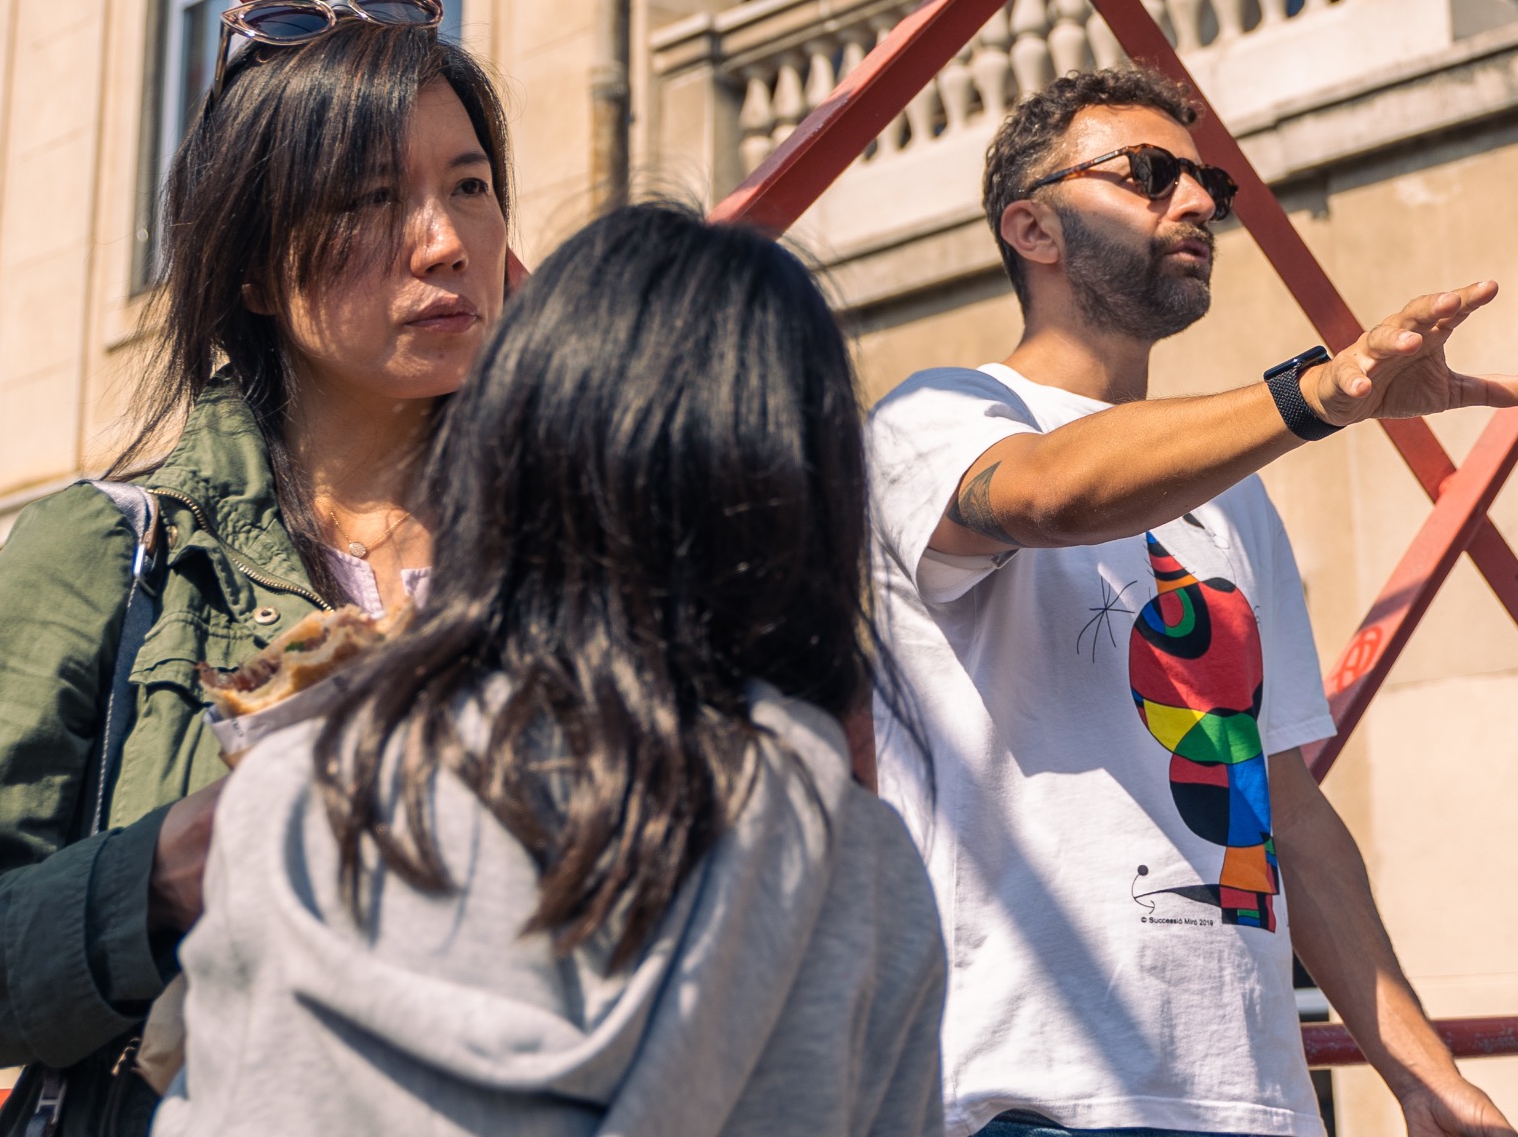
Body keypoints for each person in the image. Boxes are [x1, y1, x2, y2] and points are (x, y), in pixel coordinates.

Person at [154, 200, 944, 1134]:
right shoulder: (870, 874)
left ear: (505, 455)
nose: (442, 239)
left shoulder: (301, 798)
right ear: (804, 505)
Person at [865, 68, 1518, 1137]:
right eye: (1148, 172)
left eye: (1205, 178)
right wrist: (1318, 392)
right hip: (1035, 1097)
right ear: (1030, 225)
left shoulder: (1235, 493)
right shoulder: (939, 414)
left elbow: (1287, 810)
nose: (1198, 201)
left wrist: (1423, 1073)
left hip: (1252, 1101)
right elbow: (1046, 492)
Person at [0, 0, 508, 1137]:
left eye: (470, 184)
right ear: (250, 269)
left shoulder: (575, 563)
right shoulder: (111, 556)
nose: (446, 241)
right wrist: (154, 878)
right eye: (372, 198)